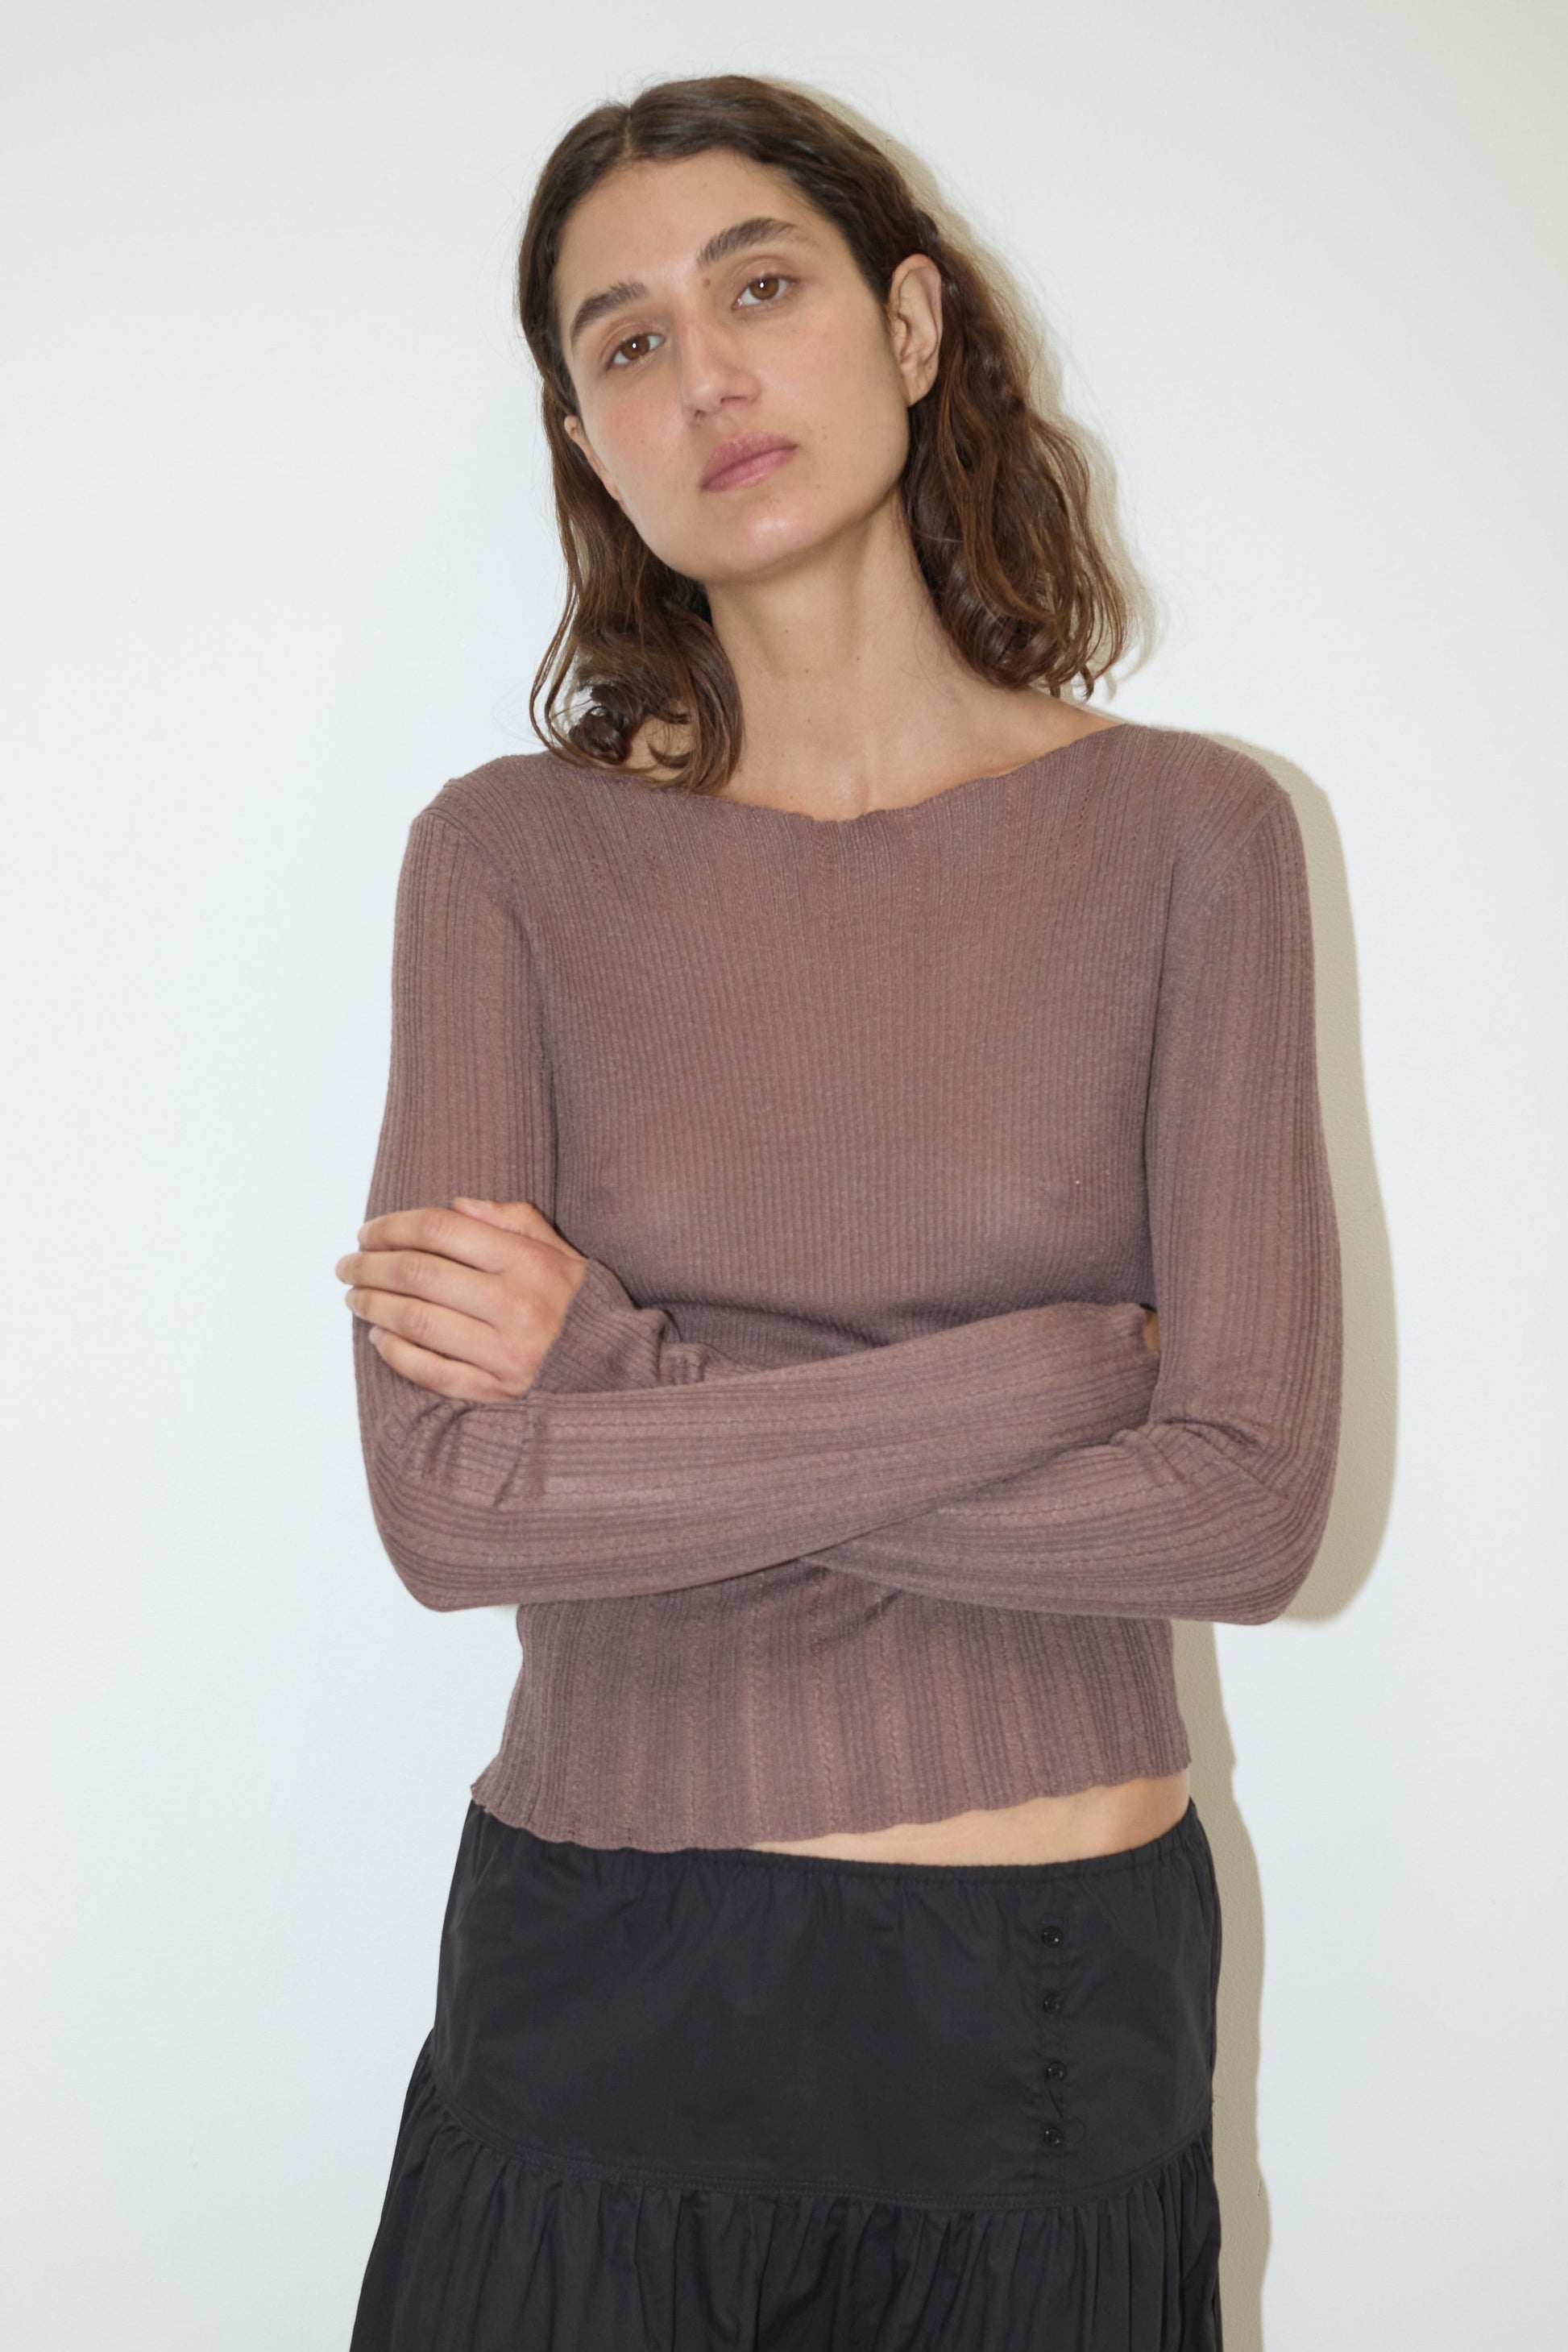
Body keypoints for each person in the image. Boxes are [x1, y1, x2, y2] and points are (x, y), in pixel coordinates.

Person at [336, 72, 1342, 2352]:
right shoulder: (506, 861)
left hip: (1041, 2002)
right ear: (584, 440)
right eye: (618, 342)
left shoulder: (1194, 841)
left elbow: (1246, 1512)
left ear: (907, 327)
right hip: (599, 1968)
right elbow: (447, 1509)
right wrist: (1071, 1371)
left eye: (756, 287)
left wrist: (626, 1394)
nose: (699, 373)